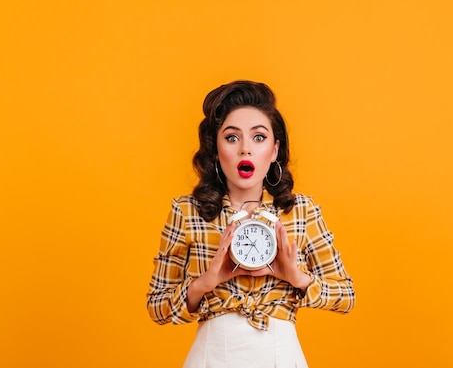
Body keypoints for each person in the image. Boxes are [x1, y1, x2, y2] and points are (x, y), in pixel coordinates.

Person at [146, 80, 355, 367]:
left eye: (259, 138)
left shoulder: (300, 211)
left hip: (280, 357)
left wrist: (295, 277)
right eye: (232, 138)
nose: (246, 149)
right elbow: (157, 307)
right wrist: (206, 282)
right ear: (215, 150)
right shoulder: (188, 212)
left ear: (274, 150)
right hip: (212, 357)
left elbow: (346, 296)